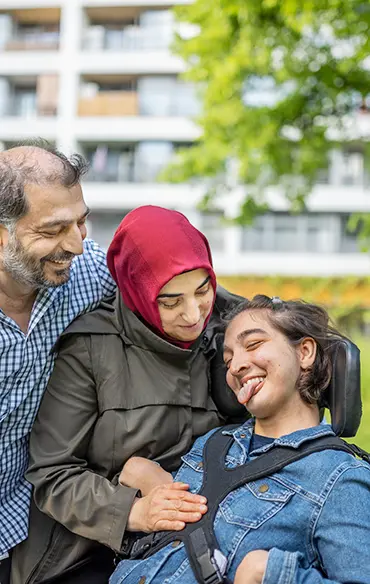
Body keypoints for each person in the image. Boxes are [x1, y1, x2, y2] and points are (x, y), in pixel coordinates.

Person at [11, 206, 244, 584]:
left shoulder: (227, 327)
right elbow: (52, 474)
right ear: (137, 289)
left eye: (203, 290)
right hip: (88, 550)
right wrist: (135, 512)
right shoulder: (90, 347)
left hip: (201, 529)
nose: (192, 314)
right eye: (169, 301)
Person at [110, 295, 370, 584]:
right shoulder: (214, 443)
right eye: (229, 359)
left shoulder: (340, 478)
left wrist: (268, 572)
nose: (235, 367)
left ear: (305, 352)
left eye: (254, 344)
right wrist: (141, 476)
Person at [0, 140, 116, 582]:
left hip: (31, 525)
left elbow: (169, 281)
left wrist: (278, 330)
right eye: (52, 230)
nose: (76, 244)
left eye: (81, 222)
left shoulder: (90, 274)